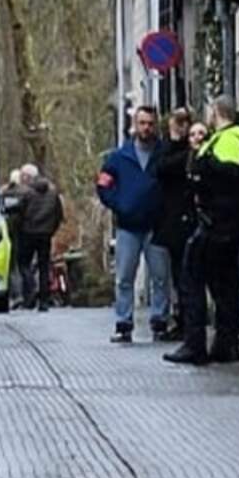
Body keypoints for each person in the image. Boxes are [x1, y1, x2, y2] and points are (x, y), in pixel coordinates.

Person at [166, 102, 239, 367]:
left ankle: (194, 344)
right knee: (224, 285)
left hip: (217, 223)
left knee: (192, 277)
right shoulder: (236, 138)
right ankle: (226, 344)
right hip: (227, 222)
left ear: (216, 112)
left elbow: (226, 174)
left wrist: (202, 166)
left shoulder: (229, 138)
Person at [94, 106, 169, 344]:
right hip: (128, 226)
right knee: (124, 277)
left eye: (150, 123)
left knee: (161, 277)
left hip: (157, 224)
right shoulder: (118, 157)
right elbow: (103, 185)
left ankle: (160, 321)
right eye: (142, 123)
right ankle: (124, 323)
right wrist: (119, 205)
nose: (146, 128)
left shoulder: (163, 154)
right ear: (135, 125)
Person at [148, 110, 201, 343]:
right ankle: (184, 322)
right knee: (179, 274)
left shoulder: (191, 154)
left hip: (186, 220)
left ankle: (189, 325)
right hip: (175, 221)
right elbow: (159, 168)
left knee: (187, 275)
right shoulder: (170, 151)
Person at [0, 162, 65, 311]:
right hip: (45, 234)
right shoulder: (53, 193)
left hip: (28, 234)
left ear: (28, 177)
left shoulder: (27, 194)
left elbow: (19, 211)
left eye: (23, 176)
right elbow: (59, 215)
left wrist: (7, 212)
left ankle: (30, 295)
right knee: (43, 266)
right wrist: (51, 230)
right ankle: (43, 301)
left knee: (23, 264)